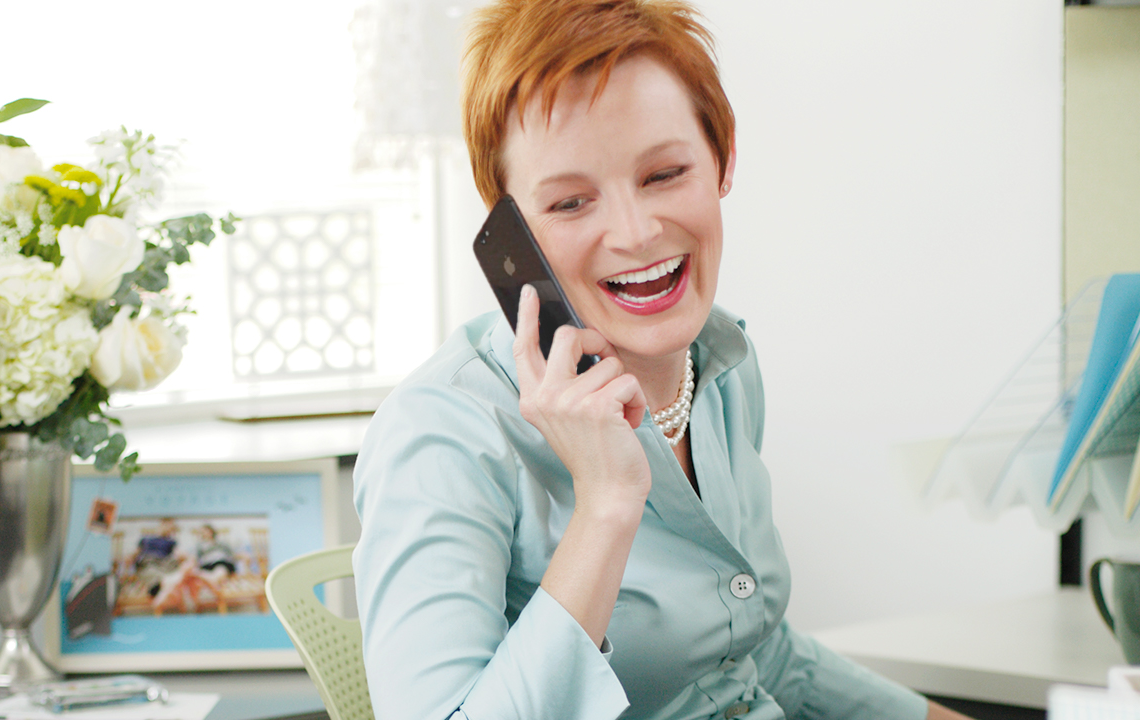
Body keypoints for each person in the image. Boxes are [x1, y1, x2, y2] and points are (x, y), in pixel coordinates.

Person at [352, 1, 974, 718]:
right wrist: (606, 507)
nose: (635, 231)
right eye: (570, 202)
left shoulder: (722, 366)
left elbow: (749, 653)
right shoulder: (443, 435)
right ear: (511, 232)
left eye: (665, 174)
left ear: (723, 158)